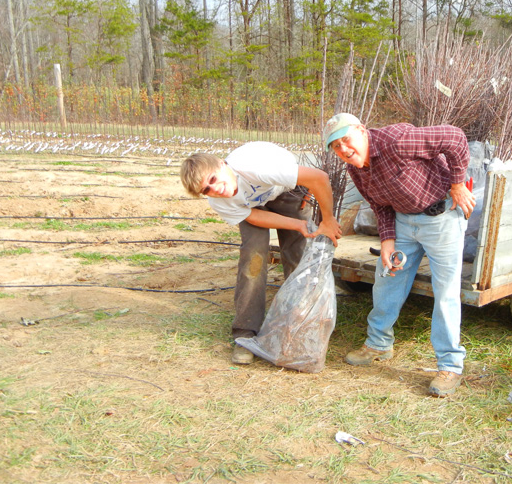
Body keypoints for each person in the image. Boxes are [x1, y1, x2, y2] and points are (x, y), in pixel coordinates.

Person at [323, 113, 475, 397]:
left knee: (445, 291)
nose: (343, 149)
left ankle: (450, 364)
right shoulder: (356, 167)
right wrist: (388, 240)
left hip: (441, 217)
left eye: (346, 140)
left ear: (362, 131)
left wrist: (457, 184)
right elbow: (380, 205)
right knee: (387, 278)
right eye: (336, 146)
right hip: (404, 223)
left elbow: (454, 137)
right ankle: (378, 344)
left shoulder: (397, 141)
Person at [180, 142, 341, 365]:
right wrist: (297, 224)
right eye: (206, 190)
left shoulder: (255, 167)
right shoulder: (218, 200)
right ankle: (245, 333)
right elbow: (254, 218)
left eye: (213, 179)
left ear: (221, 163)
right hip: (254, 207)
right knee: (253, 259)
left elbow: (319, 177)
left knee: (299, 254)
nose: (214, 189)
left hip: (285, 191)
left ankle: (301, 323)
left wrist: (328, 220)